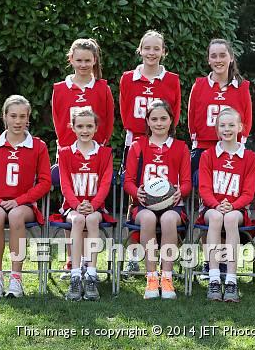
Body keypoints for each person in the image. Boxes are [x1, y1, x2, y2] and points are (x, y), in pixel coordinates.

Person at [187, 38, 253, 278]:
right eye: (213, 56)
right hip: (206, 151)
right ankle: (210, 262)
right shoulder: (199, 85)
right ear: (208, 59)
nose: (218, 60)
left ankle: (225, 262)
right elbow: (192, 118)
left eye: (222, 55)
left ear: (231, 58)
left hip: (233, 152)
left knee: (229, 201)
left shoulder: (241, 87)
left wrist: (236, 147)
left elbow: (246, 120)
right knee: (208, 205)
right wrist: (199, 145)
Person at [119, 30, 181, 275]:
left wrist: (163, 136)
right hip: (136, 143)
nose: (151, 53)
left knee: (166, 195)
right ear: (140, 50)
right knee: (137, 197)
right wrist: (139, 137)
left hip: (163, 143)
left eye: (157, 48)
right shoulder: (128, 78)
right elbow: (125, 111)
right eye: (147, 48)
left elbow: (174, 112)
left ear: (163, 51)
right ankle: (135, 255)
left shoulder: (171, 80)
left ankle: (168, 256)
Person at [0, 95, 51, 299]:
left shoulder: (38, 146)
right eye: (13, 116)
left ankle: (16, 279)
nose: (18, 121)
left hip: (24, 205)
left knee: (16, 215)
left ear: (28, 119)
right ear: (4, 117)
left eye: (22, 116)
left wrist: (19, 200)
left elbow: (45, 182)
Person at [51, 38, 114, 277]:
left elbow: (108, 121)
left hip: (95, 154)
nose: (83, 64)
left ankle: (89, 262)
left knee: (91, 205)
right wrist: (67, 148)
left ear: (94, 60)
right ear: (71, 60)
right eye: (79, 60)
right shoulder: (60, 88)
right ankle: (72, 260)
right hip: (69, 153)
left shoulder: (102, 88)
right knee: (73, 206)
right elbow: (58, 121)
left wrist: (97, 147)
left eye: (88, 60)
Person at [123, 100, 191, 299]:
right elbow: (128, 181)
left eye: (163, 118)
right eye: (154, 119)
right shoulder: (137, 146)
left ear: (171, 120)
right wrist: (136, 192)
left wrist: (180, 191)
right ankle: (152, 277)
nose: (159, 123)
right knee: (148, 218)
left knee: (168, 219)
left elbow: (186, 182)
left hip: (172, 205)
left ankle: (167, 277)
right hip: (144, 205)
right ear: (147, 121)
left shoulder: (181, 147)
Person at [197, 107, 255, 302]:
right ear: (217, 129)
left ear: (240, 127)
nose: (227, 129)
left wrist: (233, 206)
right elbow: (204, 189)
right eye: (222, 125)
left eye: (231, 125)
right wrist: (216, 205)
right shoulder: (208, 155)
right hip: (211, 208)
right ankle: (214, 278)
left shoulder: (249, 157)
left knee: (230, 219)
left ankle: (231, 280)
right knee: (216, 217)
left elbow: (248, 193)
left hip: (237, 209)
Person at [57, 109, 115, 301]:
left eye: (89, 126)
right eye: (80, 126)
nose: (85, 130)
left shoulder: (105, 153)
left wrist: (94, 204)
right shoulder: (65, 153)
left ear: (96, 128)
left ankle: (91, 275)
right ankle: (75, 275)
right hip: (72, 207)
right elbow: (65, 184)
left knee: (91, 220)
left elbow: (105, 183)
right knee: (78, 220)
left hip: (95, 208)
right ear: (72, 128)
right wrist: (76, 205)